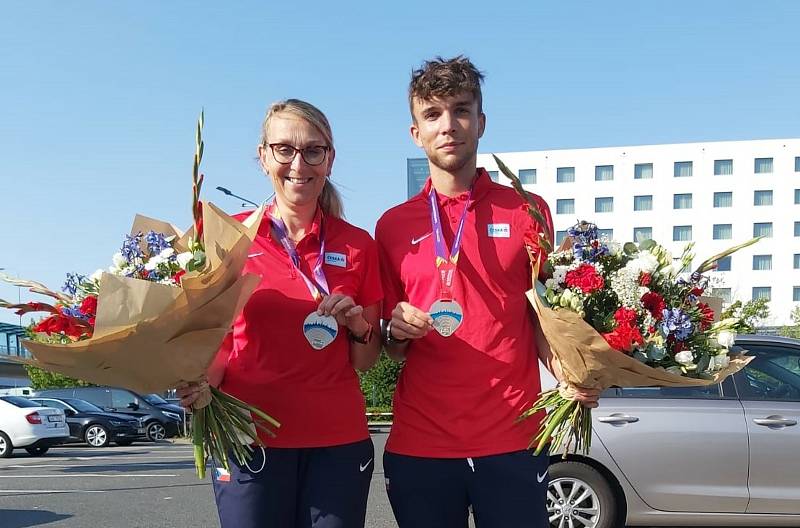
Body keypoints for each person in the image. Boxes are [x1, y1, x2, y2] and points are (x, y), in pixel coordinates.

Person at [375, 56, 600, 528]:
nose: (448, 125)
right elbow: (391, 348)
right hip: (422, 444)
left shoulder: (527, 210)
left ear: (481, 121)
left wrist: (572, 374)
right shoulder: (392, 226)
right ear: (415, 132)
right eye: (432, 114)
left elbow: (544, 318)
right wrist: (396, 331)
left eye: (460, 109)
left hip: (514, 439)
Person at [178, 99, 383, 528]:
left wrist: (359, 325)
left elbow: (364, 360)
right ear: (263, 156)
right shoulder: (227, 238)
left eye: (312, 150)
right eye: (284, 149)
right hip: (247, 437)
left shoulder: (358, 244)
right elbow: (216, 342)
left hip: (336, 441)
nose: (298, 163)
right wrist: (198, 382)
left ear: (329, 159)